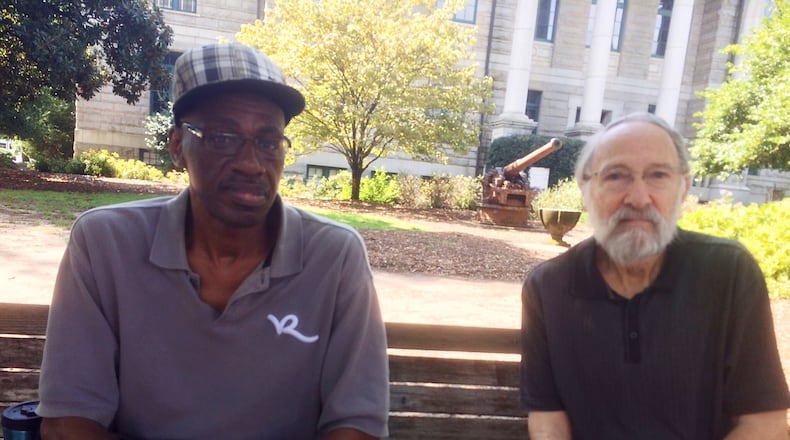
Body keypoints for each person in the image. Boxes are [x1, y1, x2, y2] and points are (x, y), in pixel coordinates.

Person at [36, 43, 389, 440]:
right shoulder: (105, 245)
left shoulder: (335, 257)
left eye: (268, 142)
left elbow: (357, 424)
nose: (251, 164)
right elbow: (68, 422)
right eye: (222, 138)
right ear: (177, 147)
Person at [520, 112, 789, 439]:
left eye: (658, 175)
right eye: (616, 176)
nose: (638, 198)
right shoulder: (548, 287)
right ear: (586, 189)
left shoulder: (729, 273)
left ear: (683, 188)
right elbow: (548, 419)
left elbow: (764, 422)